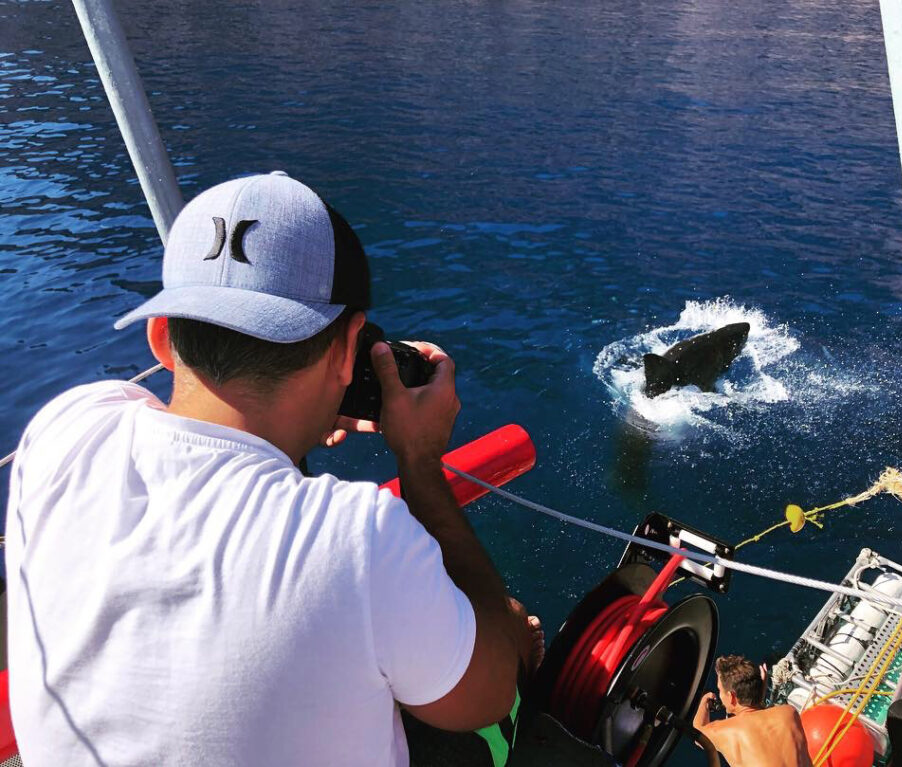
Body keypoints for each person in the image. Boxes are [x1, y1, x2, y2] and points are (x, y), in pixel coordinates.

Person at [4, 171, 538, 766]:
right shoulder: (359, 539)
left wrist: (299, 417)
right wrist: (417, 461)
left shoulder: (65, 429)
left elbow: (206, 445)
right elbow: (488, 696)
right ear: (349, 349)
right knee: (503, 647)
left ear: (161, 339)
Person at [693, 655, 812, 767]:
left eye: (720, 690)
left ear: (732, 697)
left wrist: (704, 702)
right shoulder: (789, 713)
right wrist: (760, 695)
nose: (720, 695)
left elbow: (698, 735)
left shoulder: (727, 731)